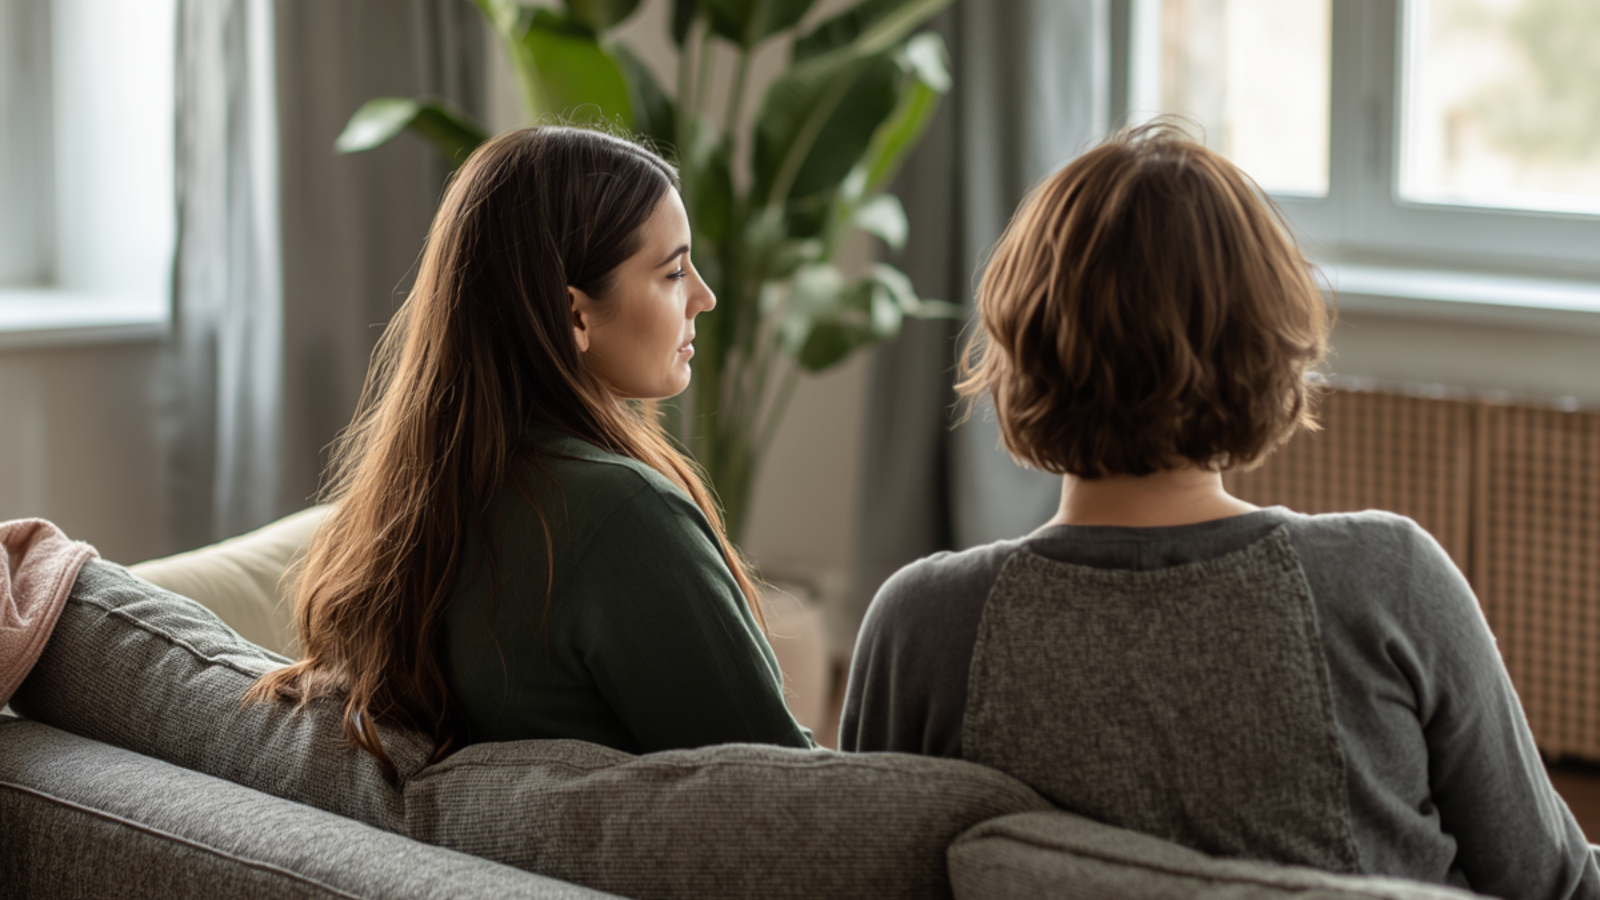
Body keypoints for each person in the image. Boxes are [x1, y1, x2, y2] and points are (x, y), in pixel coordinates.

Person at [839, 122, 1600, 897]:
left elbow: (856, 879)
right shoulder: (1389, 582)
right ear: (1269, 344)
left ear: (1019, 343)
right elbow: (1554, 881)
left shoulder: (922, 625)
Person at [250, 126, 813, 780]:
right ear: (574, 315)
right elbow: (786, 793)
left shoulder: (404, 514)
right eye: (673, 271)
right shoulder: (626, 520)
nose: (704, 297)